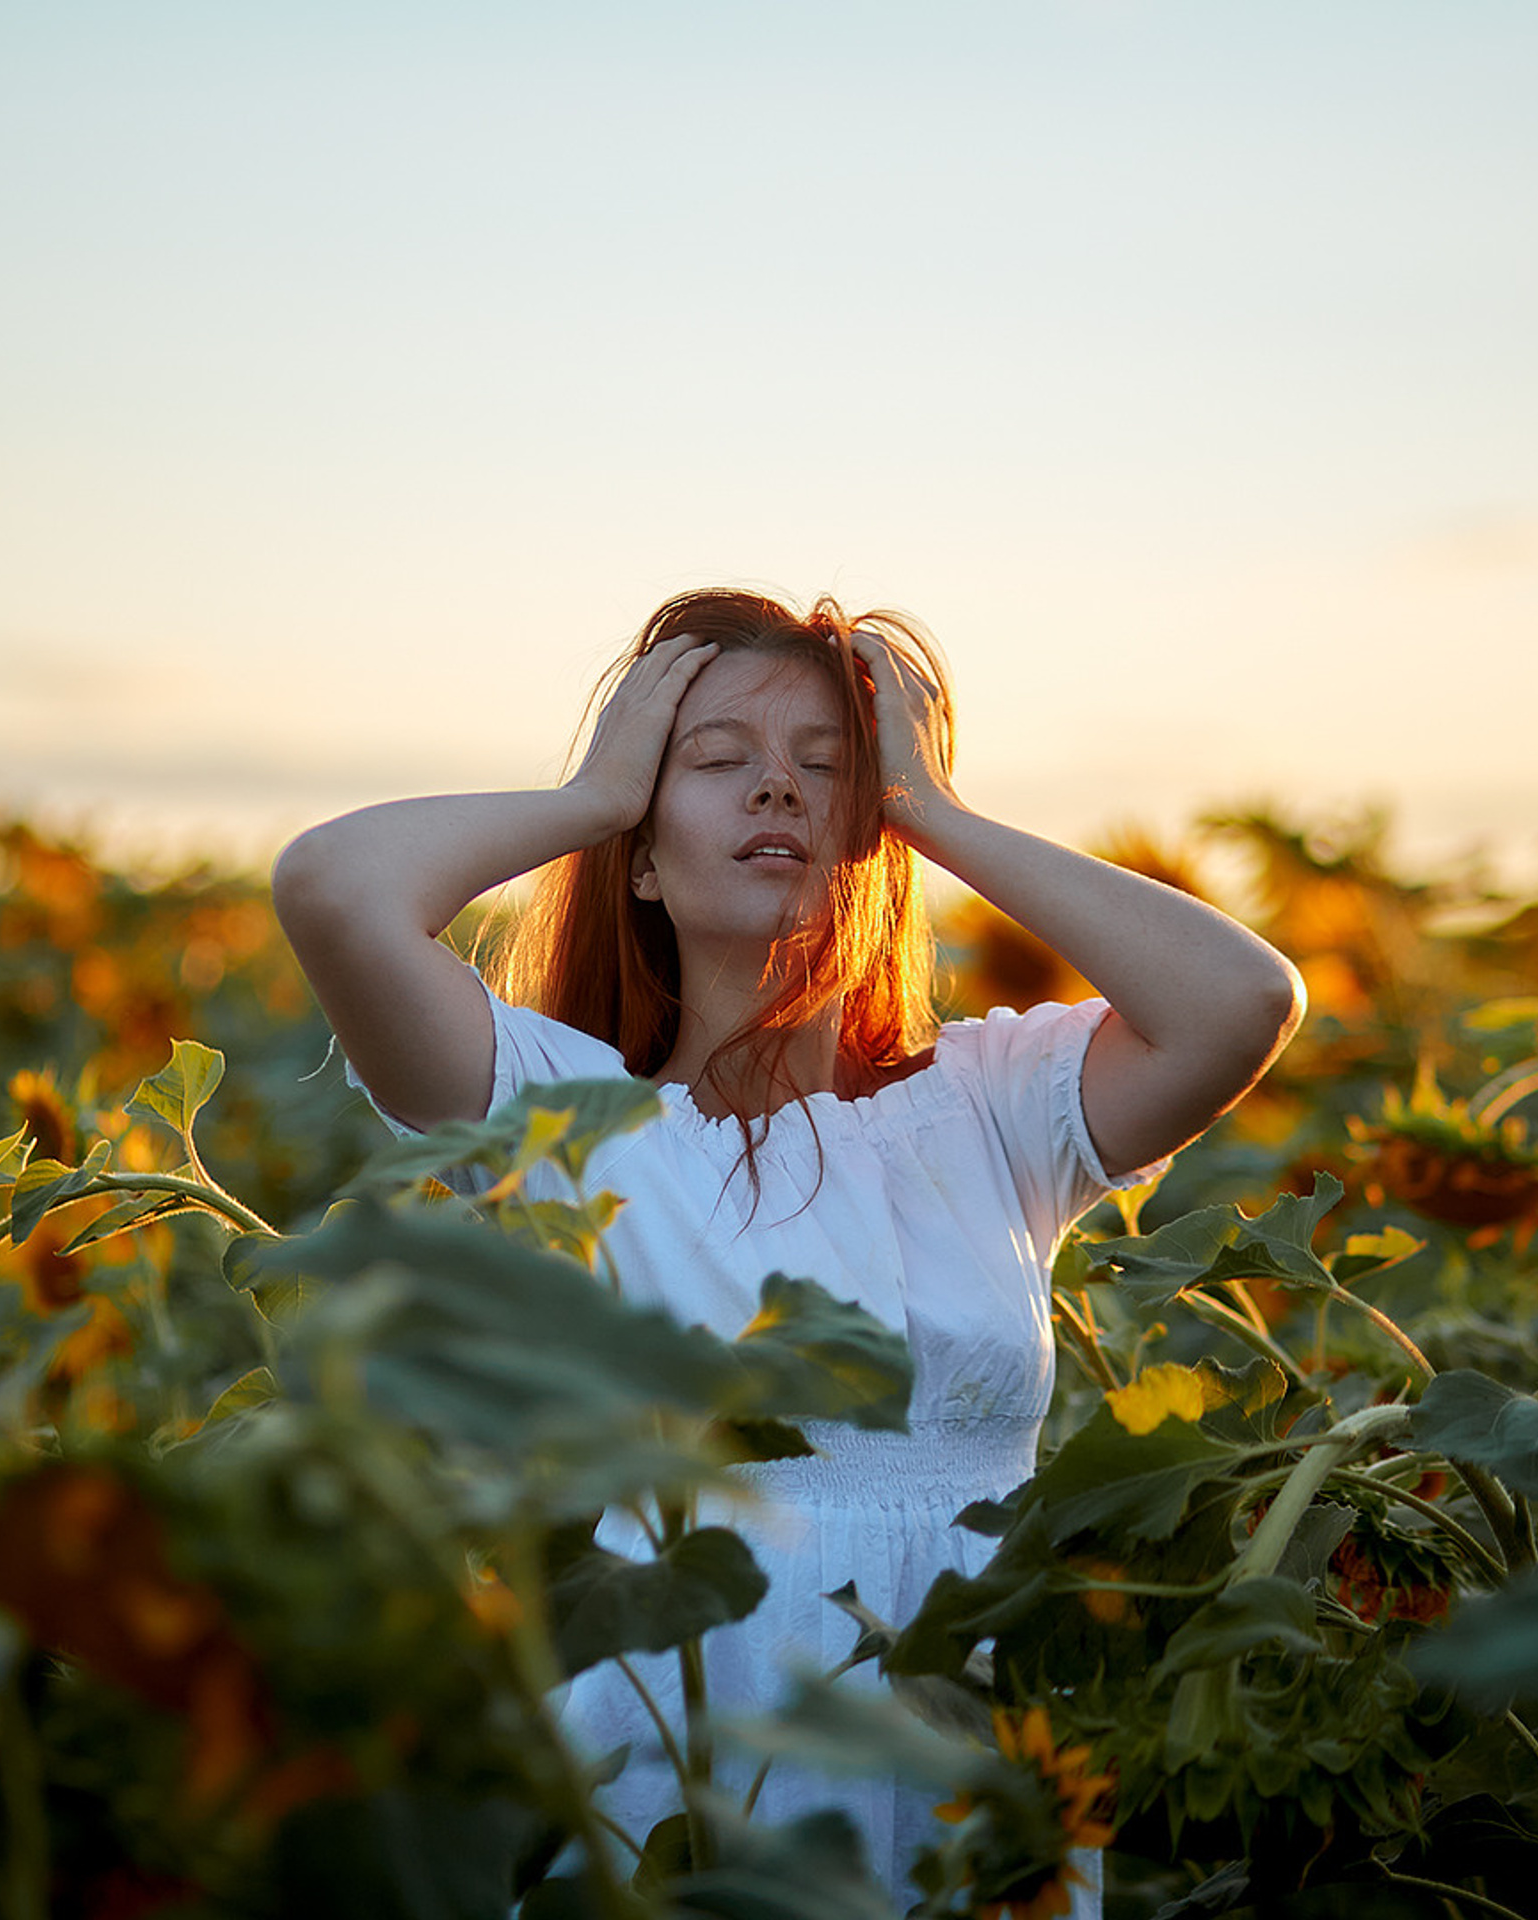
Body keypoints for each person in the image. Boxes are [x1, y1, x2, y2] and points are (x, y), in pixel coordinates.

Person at [271, 587, 1305, 1908]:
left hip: (968, 1795)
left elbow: (1245, 1001)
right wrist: (595, 794)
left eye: (826, 768)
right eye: (715, 761)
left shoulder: (990, 1107)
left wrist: (934, 807)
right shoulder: (557, 1116)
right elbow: (333, 887)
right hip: (677, 1796)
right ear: (642, 854)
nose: (779, 789)